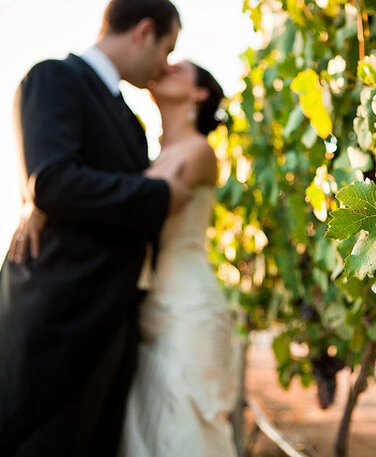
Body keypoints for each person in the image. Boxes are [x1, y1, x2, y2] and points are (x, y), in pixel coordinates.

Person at [9, 62, 241, 457]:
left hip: (188, 308)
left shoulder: (198, 151)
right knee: (146, 434)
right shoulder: (147, 153)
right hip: (143, 307)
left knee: (186, 430)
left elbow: (139, 194)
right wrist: (53, 194)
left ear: (198, 93)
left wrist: (48, 201)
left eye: (177, 65)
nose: (164, 66)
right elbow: (118, 193)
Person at [0, 1, 188, 456]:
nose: (164, 65)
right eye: (167, 48)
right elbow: (51, 180)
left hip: (107, 323)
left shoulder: (128, 118)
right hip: (56, 324)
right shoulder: (54, 77)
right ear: (144, 31)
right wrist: (163, 197)